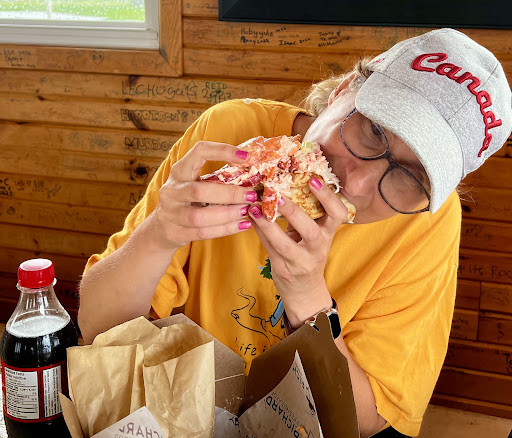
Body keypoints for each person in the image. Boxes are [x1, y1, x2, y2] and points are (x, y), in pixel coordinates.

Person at [78, 28, 512, 438]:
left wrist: (309, 301)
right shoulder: (230, 135)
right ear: (344, 90)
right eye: (373, 130)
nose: (357, 183)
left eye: (410, 176)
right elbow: (98, 327)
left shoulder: (426, 222)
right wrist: (159, 234)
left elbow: (368, 420)